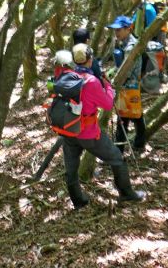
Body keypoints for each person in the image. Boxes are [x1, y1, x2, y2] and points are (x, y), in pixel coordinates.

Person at [57, 43, 145, 209]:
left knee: (71, 170)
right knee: (117, 159)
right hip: (88, 134)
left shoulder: (65, 76)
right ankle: (126, 194)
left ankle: (78, 201)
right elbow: (107, 104)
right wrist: (109, 87)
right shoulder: (91, 82)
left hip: (68, 131)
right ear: (90, 61)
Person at [106, 15, 147, 154]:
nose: (116, 33)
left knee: (123, 120)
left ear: (128, 29)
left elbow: (126, 71)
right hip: (128, 87)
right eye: (115, 30)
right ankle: (139, 143)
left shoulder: (131, 47)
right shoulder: (124, 43)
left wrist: (113, 80)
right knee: (136, 116)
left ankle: (118, 151)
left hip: (129, 87)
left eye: (119, 30)